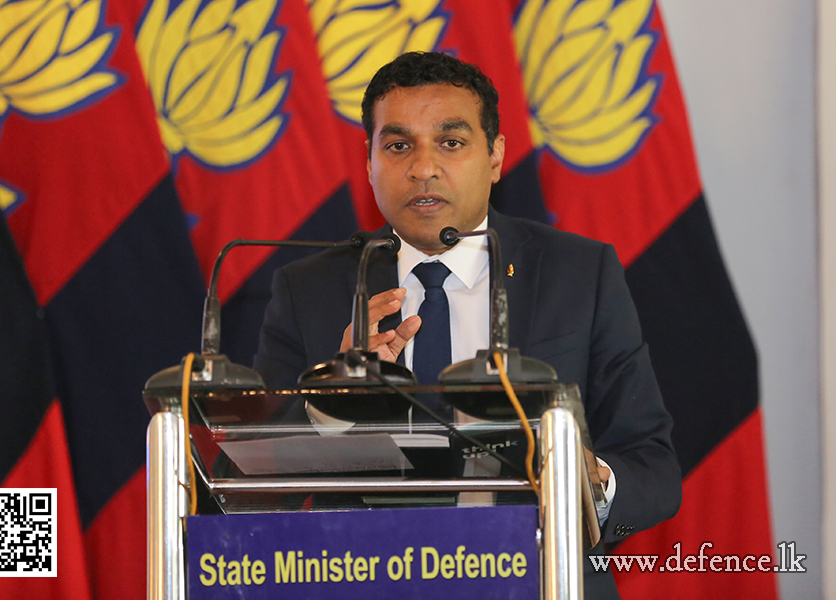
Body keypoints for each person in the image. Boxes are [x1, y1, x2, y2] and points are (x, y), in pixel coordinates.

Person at [253, 51, 681, 598]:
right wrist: (328, 403)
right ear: (369, 159)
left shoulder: (577, 273)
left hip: (538, 579)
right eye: (398, 144)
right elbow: (252, 482)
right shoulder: (312, 287)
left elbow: (653, 464)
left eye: (451, 143)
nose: (423, 167)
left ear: (496, 156)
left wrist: (590, 484)